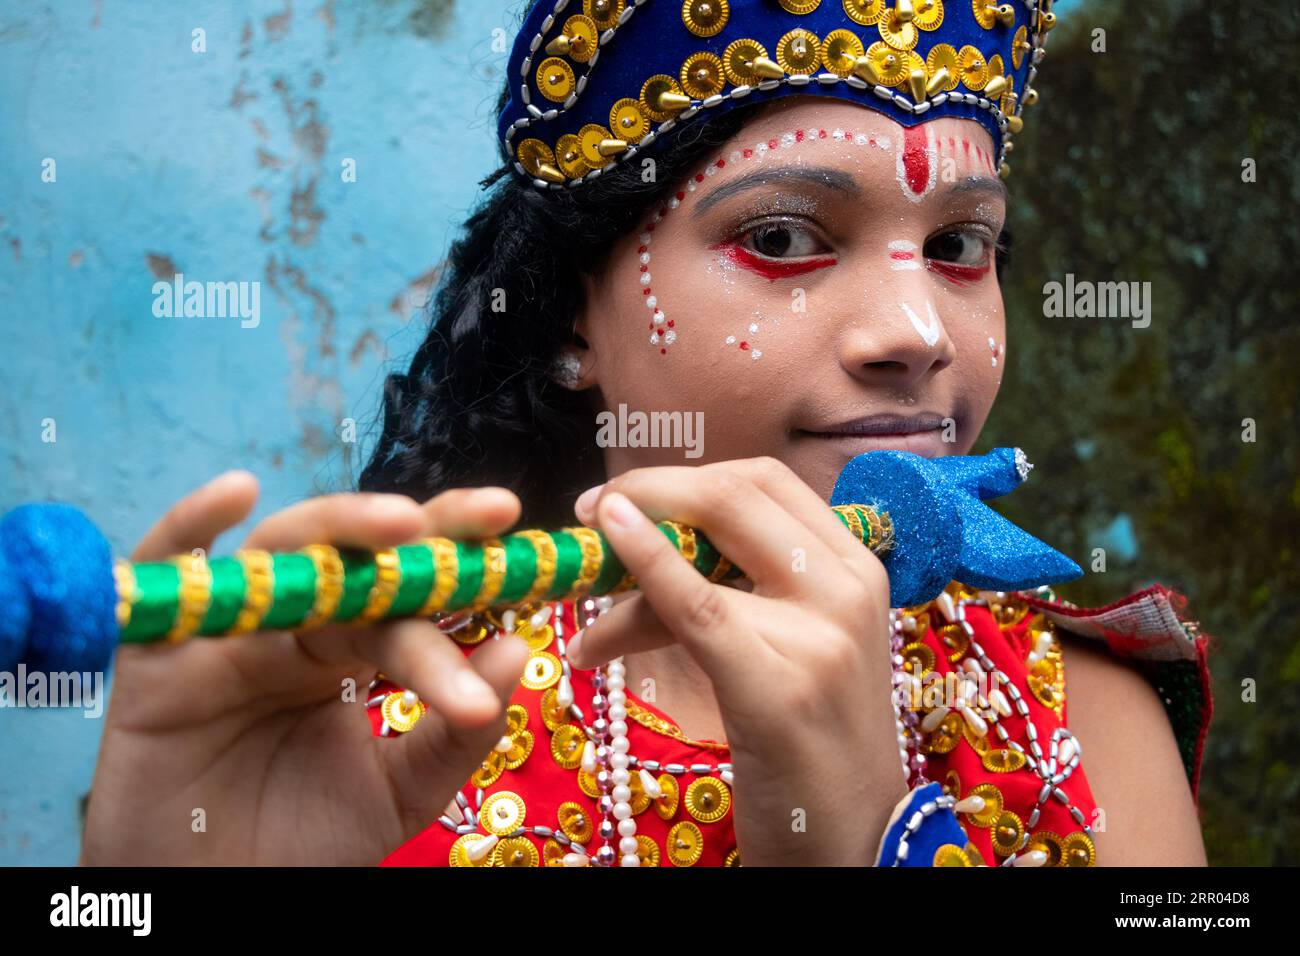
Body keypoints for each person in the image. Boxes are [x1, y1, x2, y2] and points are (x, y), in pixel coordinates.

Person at [80, 0, 1211, 867]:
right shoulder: (378, 735)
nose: (918, 333)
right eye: (782, 234)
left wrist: (865, 829)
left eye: (963, 248)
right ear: (575, 312)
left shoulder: (1082, 723)